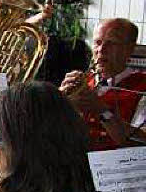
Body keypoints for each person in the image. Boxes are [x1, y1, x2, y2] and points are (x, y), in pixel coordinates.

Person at [60, 17, 146, 150]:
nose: (101, 49)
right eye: (97, 42)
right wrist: (59, 101)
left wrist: (103, 111)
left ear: (130, 49)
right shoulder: (81, 82)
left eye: (111, 43)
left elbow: (140, 141)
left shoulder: (142, 87)